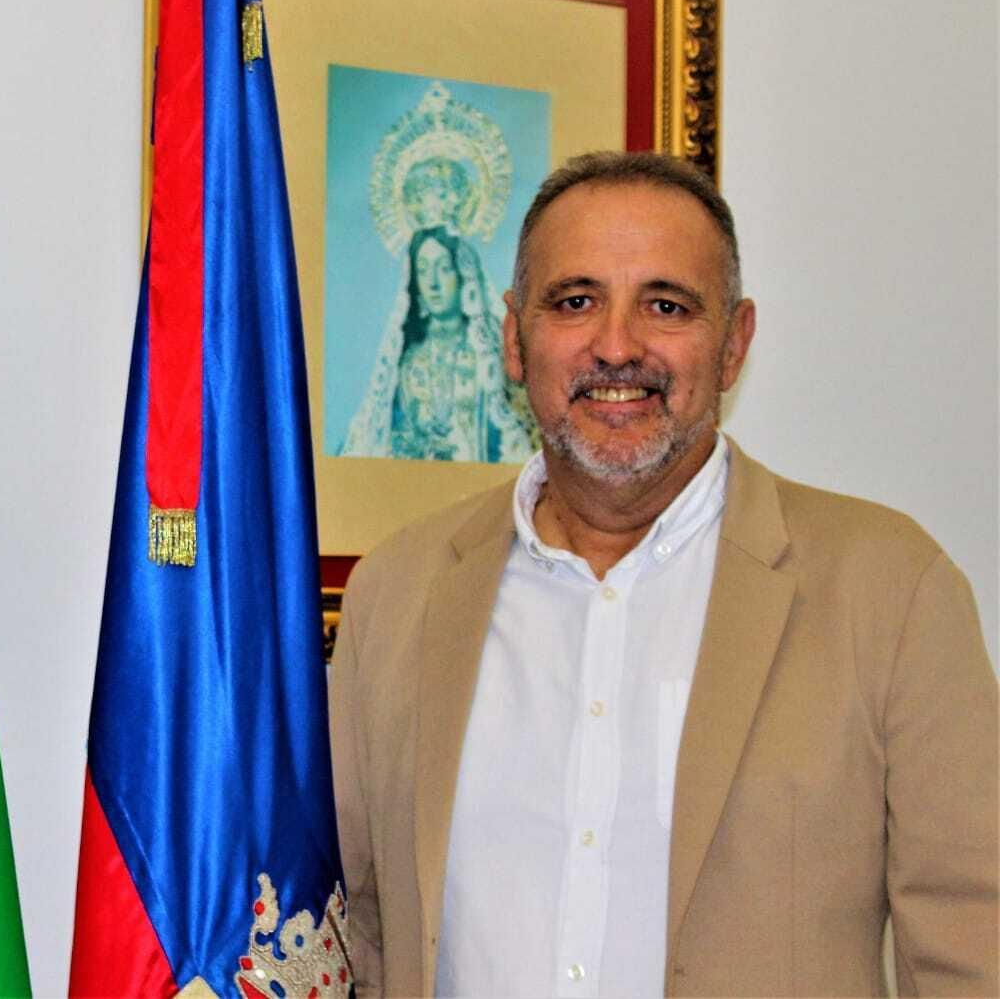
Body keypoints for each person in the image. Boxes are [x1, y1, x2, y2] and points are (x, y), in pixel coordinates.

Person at [328, 150, 998, 997]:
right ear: (512, 337)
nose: (617, 345)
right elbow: (360, 935)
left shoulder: (892, 590)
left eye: (667, 305)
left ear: (733, 344)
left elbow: (975, 950)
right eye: (576, 302)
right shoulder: (399, 591)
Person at [382, 225, 536, 461]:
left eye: (443, 269)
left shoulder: (492, 356)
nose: (433, 283)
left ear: (462, 274)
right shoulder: (406, 363)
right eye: (423, 271)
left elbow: (518, 436)